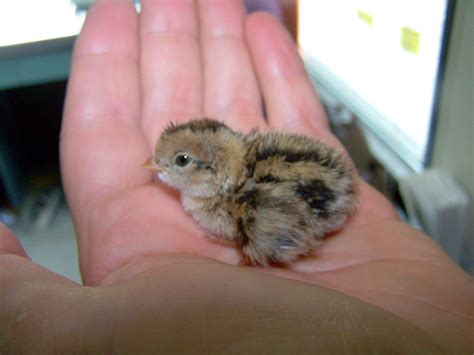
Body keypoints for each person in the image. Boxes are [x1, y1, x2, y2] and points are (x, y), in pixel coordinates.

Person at [1, 0, 472, 352]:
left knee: (260, 232)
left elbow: (276, 226)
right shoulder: (239, 166)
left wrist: (252, 252)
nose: (159, 167)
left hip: (308, 196)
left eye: (180, 162)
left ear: (211, 170)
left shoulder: (247, 210)